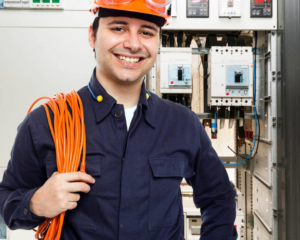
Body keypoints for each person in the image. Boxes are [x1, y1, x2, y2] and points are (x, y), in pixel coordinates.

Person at [0, 0, 238, 239]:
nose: (133, 44)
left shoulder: (182, 123)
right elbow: (5, 200)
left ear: (157, 42)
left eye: (146, 32)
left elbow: (219, 198)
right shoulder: (47, 122)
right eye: (118, 28)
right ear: (92, 36)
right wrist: (35, 204)